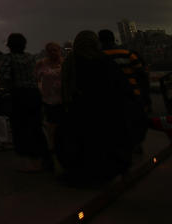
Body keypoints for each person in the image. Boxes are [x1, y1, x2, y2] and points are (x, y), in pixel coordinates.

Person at [56, 30, 138, 184]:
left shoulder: (71, 62)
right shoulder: (104, 61)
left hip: (80, 112)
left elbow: (66, 89)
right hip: (106, 112)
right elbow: (121, 88)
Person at [0, 33, 48, 172]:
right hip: (34, 95)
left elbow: (5, 77)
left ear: (9, 45)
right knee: (36, 126)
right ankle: (43, 159)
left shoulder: (8, 59)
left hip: (18, 96)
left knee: (21, 128)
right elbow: (36, 75)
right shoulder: (31, 57)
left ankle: (30, 163)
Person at [98, 29, 151, 114]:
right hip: (133, 95)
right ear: (113, 38)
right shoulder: (128, 54)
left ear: (100, 41)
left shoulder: (97, 57)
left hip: (109, 98)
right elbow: (142, 76)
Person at [35, 42, 64, 160]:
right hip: (48, 100)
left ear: (59, 51)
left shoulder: (65, 63)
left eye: (55, 50)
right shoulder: (41, 64)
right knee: (51, 127)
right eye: (50, 50)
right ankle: (53, 153)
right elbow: (36, 79)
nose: (53, 53)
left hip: (63, 99)